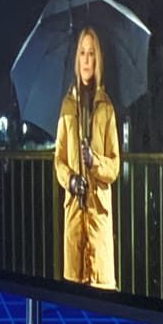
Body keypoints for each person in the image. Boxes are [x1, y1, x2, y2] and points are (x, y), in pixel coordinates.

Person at [54, 25, 121, 289]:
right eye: (82, 53)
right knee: (73, 291)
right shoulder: (67, 107)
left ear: (97, 59)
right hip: (74, 213)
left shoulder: (107, 108)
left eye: (91, 53)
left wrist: (94, 162)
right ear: (76, 59)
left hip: (98, 216)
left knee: (100, 291)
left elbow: (114, 167)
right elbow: (58, 160)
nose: (86, 59)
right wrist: (71, 180)